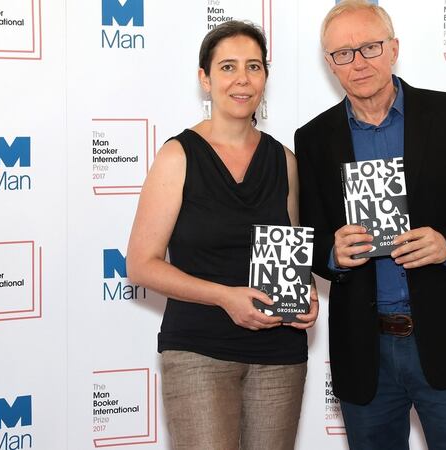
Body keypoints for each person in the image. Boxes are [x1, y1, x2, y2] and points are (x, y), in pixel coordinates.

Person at [294, 1, 446, 449]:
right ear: (329, 64)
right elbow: (311, 234)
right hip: (364, 353)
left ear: (393, 48)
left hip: (444, 340)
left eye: (369, 47)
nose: (358, 62)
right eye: (343, 53)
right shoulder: (313, 138)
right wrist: (329, 252)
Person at [126, 20, 318, 450]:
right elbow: (140, 264)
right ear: (205, 78)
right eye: (228, 67)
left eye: (253, 66)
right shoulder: (178, 156)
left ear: (265, 77)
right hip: (199, 351)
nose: (242, 79)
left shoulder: (284, 160)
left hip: (279, 354)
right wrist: (224, 296)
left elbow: (290, 252)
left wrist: (305, 294)